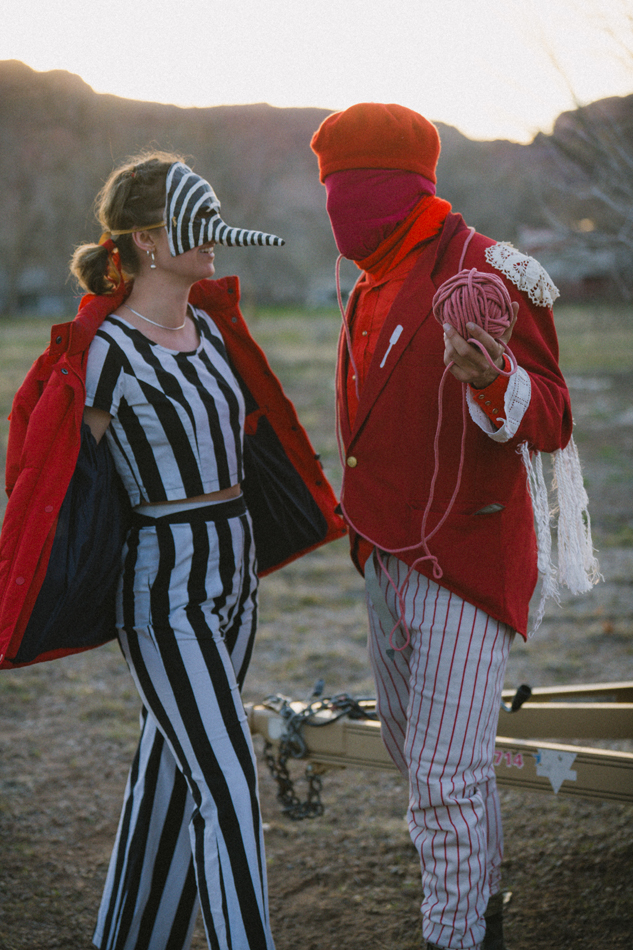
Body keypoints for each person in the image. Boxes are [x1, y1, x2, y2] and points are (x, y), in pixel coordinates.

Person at [0, 151, 345, 949]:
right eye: (203, 228)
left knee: (168, 778)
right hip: (165, 593)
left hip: (234, 578)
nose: (218, 243)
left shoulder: (215, 328)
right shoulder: (106, 352)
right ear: (151, 240)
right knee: (226, 783)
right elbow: (59, 479)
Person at [310, 103, 598, 950]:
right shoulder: (365, 274)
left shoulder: (488, 272)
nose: (338, 210)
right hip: (384, 558)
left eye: (350, 190)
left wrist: (492, 379)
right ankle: (480, 904)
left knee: (442, 774)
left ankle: (455, 935)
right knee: (421, 759)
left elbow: (551, 416)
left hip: (464, 557)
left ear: (400, 189)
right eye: (329, 191)